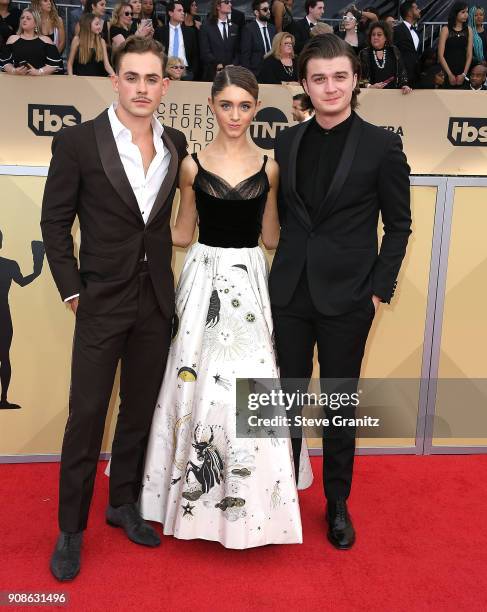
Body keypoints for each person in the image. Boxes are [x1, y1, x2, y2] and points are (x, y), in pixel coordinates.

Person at [139, 65, 312, 549]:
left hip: (251, 283)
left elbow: (272, 236)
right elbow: (180, 233)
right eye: (225, 105)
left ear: (256, 108)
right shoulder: (190, 164)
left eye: (244, 105)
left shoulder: (271, 167)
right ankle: (189, 495)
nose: (235, 115)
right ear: (212, 107)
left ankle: (257, 500)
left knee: (251, 389)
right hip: (202, 282)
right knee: (193, 382)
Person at [41, 35, 188, 582]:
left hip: (154, 300)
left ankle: (122, 501)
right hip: (99, 302)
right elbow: (55, 223)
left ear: (165, 85)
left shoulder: (175, 142)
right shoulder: (78, 142)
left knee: (139, 409)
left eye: (152, 79)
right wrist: (72, 289)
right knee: (86, 418)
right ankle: (70, 530)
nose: (142, 88)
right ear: (115, 80)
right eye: (133, 77)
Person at [269, 34, 411, 551]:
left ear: (355, 80)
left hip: (348, 299)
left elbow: (398, 226)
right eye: (319, 78)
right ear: (304, 84)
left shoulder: (382, 145)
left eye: (340, 77)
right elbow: (285, 216)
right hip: (287, 291)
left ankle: (336, 503)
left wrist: (377, 290)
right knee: (281, 401)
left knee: (338, 407)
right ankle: (277, 496)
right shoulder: (286, 142)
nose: (330, 87)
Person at [0, 230, 44, 410]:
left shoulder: (9, 265)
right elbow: (24, 281)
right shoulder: (9, 265)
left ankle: (3, 399)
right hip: (3, 314)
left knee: (4, 356)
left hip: (3, 315)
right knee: (4, 356)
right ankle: (3, 398)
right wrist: (38, 266)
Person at [0, 8, 63, 75]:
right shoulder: (12, 39)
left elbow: (54, 64)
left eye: (28, 18)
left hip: (40, 81)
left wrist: (39, 72)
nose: (24, 20)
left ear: (36, 23)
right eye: (22, 18)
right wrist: (14, 71)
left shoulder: (46, 40)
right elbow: (5, 62)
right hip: (16, 81)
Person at [359, 21, 411, 93]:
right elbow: (359, 78)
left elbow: (402, 72)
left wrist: (404, 85)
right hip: (371, 95)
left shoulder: (394, 51)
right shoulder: (364, 53)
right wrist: (370, 86)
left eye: (379, 35)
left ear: (386, 37)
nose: (375, 37)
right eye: (373, 35)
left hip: (393, 96)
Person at [154, 1, 199, 80]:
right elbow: (156, 53)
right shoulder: (160, 31)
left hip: (186, 72)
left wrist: (192, 72)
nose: (183, 13)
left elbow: (195, 54)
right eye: (179, 10)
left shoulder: (190, 32)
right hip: (165, 72)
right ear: (170, 13)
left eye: (183, 11)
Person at [199, 0, 240, 82]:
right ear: (218, 6)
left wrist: (234, 64)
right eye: (227, 2)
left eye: (230, 2)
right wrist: (217, 64)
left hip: (231, 74)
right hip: (212, 73)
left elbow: (238, 50)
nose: (230, 4)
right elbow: (205, 51)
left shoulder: (234, 27)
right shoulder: (206, 27)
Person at [438, 2, 473, 88]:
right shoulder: (445, 29)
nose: (466, 15)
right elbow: (440, 55)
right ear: (455, 13)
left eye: (467, 12)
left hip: (463, 69)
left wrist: (464, 74)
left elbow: (469, 54)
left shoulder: (469, 30)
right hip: (447, 69)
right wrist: (449, 74)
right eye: (463, 12)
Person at [241, 0, 276, 76]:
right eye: (265, 10)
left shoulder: (272, 28)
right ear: (256, 12)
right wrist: (248, 74)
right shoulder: (249, 29)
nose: (269, 12)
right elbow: (245, 55)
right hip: (256, 73)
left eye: (269, 9)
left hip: (273, 72)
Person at [393, 1, 422, 86]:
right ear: (409, 12)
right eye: (416, 8)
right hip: (402, 77)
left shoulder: (416, 32)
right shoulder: (397, 30)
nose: (419, 10)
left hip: (415, 76)